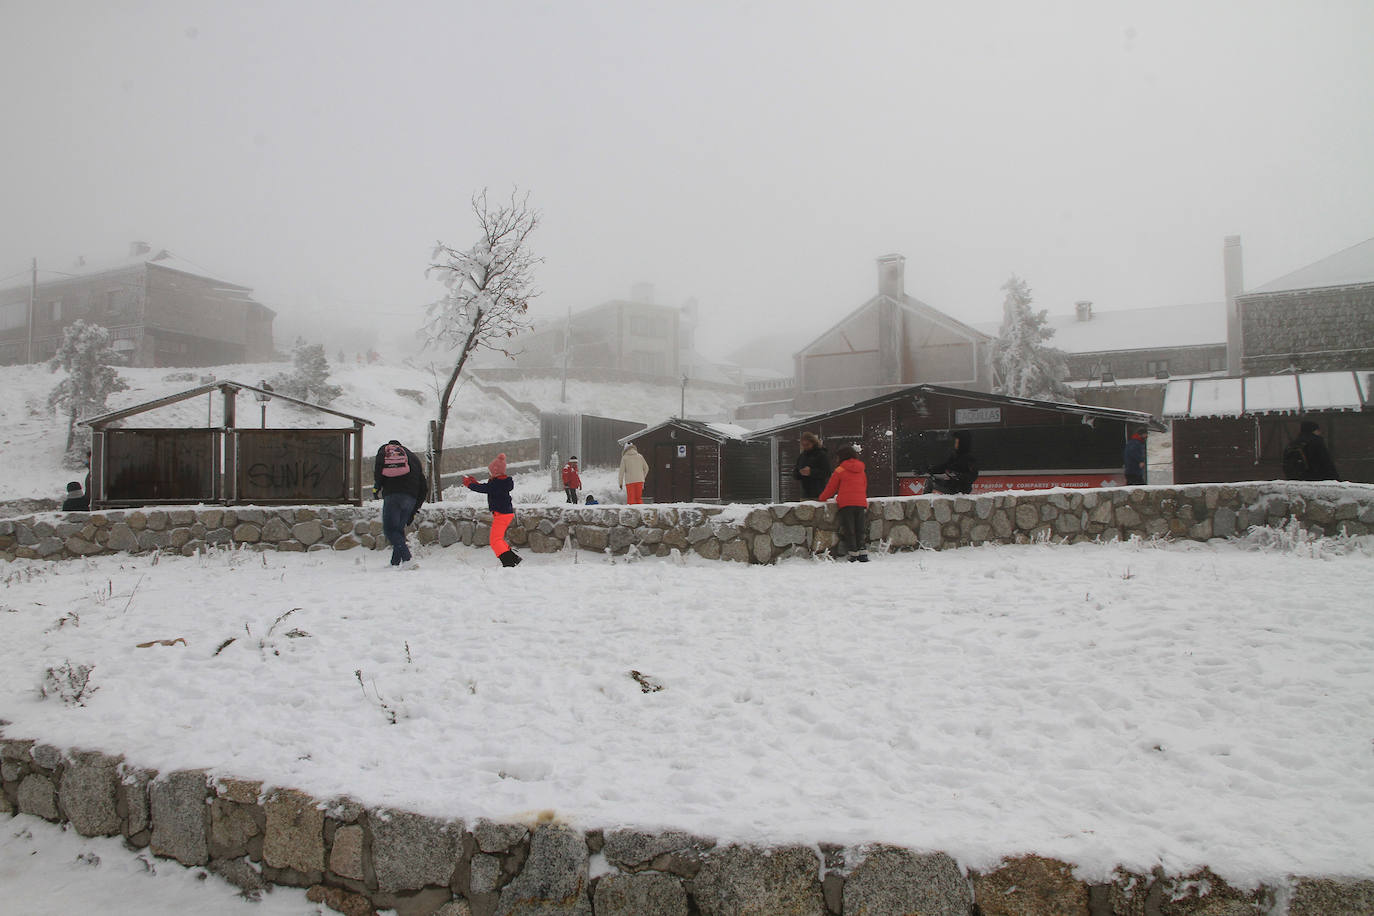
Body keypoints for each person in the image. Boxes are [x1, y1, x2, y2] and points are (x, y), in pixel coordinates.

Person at [372, 439, 427, 570]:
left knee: (390, 530)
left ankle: (408, 560)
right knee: (398, 530)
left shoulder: (385, 451)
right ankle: (395, 563)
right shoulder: (413, 458)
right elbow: (424, 486)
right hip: (411, 498)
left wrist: (376, 488)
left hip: (393, 495)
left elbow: (379, 469)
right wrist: (414, 509)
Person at [463, 453, 522, 567]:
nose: (489, 474)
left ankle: (508, 563)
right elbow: (487, 488)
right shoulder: (501, 482)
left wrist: (470, 484)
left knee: (495, 541)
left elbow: (485, 488)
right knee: (498, 539)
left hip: (502, 514)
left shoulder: (497, 483)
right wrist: (474, 483)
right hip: (505, 513)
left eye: (490, 472)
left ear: (495, 472)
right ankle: (514, 558)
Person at [816, 444, 869, 562]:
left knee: (850, 529)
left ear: (841, 456)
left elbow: (831, 488)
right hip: (860, 502)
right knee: (860, 529)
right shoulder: (861, 469)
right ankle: (863, 552)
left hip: (846, 503)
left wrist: (822, 498)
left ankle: (853, 553)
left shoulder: (840, 470)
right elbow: (864, 485)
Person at [921, 431, 977, 495]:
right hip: (950, 485)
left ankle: (926, 498)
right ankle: (926, 498)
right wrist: (929, 470)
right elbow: (944, 467)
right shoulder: (954, 456)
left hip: (961, 489)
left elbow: (972, 476)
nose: (955, 444)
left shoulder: (969, 458)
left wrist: (958, 475)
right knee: (930, 480)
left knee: (931, 482)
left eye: (957, 442)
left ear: (963, 444)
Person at [793, 431, 831, 500]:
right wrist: (800, 472)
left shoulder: (821, 455)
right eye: (803, 445)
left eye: (807, 444)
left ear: (813, 443)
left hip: (818, 493)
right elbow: (795, 474)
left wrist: (811, 472)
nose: (805, 447)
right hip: (805, 494)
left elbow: (827, 473)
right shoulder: (801, 456)